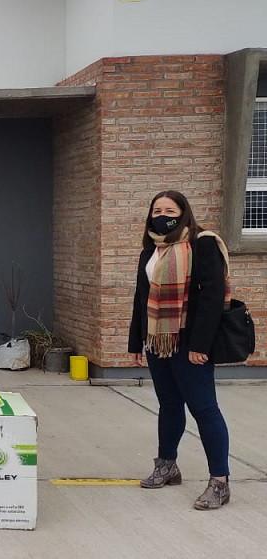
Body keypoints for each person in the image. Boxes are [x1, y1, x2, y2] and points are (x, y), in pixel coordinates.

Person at [128, 190, 231, 510]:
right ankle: (167, 465)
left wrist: (200, 345)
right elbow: (141, 298)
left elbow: (212, 298)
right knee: (169, 405)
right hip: (158, 340)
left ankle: (220, 482)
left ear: (183, 213)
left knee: (204, 408)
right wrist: (135, 341)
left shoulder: (202, 244)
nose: (162, 215)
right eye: (157, 210)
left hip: (190, 342)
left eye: (170, 211)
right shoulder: (151, 250)